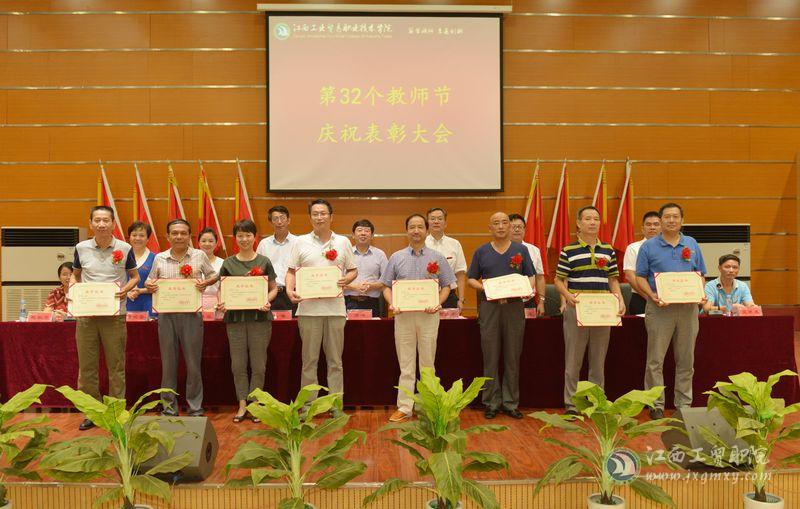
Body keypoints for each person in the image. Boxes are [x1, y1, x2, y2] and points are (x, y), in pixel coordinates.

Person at [285, 199, 357, 414]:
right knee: (309, 361)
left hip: (335, 310)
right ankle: (308, 406)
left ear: (331, 216)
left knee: (335, 361)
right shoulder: (300, 242)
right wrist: (289, 290)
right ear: (310, 218)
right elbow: (291, 271)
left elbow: (353, 270)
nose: (319, 217)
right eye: (315, 214)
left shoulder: (343, 242)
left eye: (323, 213)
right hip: (308, 311)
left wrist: (347, 278)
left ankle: (336, 405)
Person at [636, 202, 707, 419]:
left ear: (682, 220)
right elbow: (640, 277)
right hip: (660, 309)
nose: (671, 220)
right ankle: (655, 404)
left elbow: (700, 273)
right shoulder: (649, 246)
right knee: (655, 360)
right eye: (667, 217)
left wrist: (700, 292)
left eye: (676, 216)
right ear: (661, 220)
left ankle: (683, 404)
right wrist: (652, 295)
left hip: (688, 310)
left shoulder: (691, 243)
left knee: (686, 360)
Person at [381, 214, 455, 422]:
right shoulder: (396, 257)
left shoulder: (437, 257)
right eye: (412, 227)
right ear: (406, 231)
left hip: (428, 316)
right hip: (403, 316)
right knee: (405, 364)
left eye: (420, 227)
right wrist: (392, 303)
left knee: (427, 364)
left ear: (426, 230)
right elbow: (386, 286)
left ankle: (427, 407)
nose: (416, 230)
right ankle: (404, 407)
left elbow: (447, 285)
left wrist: (438, 302)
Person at [71, 206, 139, 430]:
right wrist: (74, 288)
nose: (101, 224)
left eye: (106, 220)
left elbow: (135, 277)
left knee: (116, 366)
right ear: (91, 223)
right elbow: (75, 275)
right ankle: (94, 412)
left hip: (114, 315)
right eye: (97, 220)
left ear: (113, 224)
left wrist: (125, 289)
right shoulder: (81, 248)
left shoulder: (125, 248)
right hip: (87, 316)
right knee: (87, 367)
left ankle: (116, 413)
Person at [555, 206, 625, 415]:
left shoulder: (608, 250)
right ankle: (571, 404)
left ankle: (597, 403)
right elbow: (558, 280)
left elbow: (613, 280)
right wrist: (568, 296)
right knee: (573, 361)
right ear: (579, 223)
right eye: (587, 218)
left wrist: (620, 300)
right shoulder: (568, 250)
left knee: (598, 361)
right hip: (577, 309)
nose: (592, 222)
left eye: (596, 218)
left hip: (603, 311)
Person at [467, 212, 536, 420]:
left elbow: (531, 276)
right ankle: (491, 402)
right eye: (496, 223)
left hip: (514, 307)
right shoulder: (481, 251)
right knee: (490, 356)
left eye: (504, 222)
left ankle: (510, 402)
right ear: (490, 228)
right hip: (490, 307)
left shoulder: (520, 250)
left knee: (513, 356)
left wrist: (526, 288)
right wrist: (485, 289)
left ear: (510, 226)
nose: (500, 226)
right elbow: (471, 279)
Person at [146, 219, 218, 417]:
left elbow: (214, 275)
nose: (179, 236)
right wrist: (150, 285)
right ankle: (169, 407)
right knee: (168, 364)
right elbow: (150, 280)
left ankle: (195, 407)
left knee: (193, 364)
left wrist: (205, 283)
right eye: (175, 233)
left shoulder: (199, 255)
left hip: (191, 315)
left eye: (183, 233)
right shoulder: (160, 257)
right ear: (168, 236)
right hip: (166, 316)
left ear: (189, 236)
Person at [217, 219, 278, 423]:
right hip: (235, 319)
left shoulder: (264, 261)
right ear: (235, 238)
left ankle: (256, 403)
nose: (244, 239)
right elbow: (221, 290)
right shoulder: (228, 263)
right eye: (240, 235)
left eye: (248, 235)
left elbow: (273, 288)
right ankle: (242, 403)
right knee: (238, 364)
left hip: (259, 319)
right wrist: (221, 302)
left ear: (255, 237)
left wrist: (266, 300)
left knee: (259, 364)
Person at [256, 205, 298, 314]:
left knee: (293, 324)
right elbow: (258, 270)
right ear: (271, 222)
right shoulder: (264, 244)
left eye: (282, 218)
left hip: (292, 294)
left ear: (288, 220)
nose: (279, 222)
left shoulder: (299, 242)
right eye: (275, 219)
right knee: (271, 324)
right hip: (270, 294)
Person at [425, 207, 467, 312]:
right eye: (432, 219)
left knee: (449, 323)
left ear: (445, 223)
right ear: (427, 223)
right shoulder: (421, 244)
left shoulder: (455, 244)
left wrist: (461, 299)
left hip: (450, 297)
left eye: (440, 219)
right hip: (426, 295)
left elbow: (460, 273)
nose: (436, 222)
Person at [344, 219, 388, 317]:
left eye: (367, 231)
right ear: (353, 235)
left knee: (372, 327)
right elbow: (339, 280)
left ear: (372, 236)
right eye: (359, 230)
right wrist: (354, 287)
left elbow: (386, 280)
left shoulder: (380, 254)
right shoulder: (346, 253)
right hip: (349, 302)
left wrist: (371, 286)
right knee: (349, 328)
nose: (363, 233)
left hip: (372, 303)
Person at [622, 212, 662, 315]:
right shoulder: (633, 248)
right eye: (648, 224)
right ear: (642, 229)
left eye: (656, 224)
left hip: (665, 298)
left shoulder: (669, 248)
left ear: (662, 227)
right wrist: (649, 297)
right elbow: (630, 276)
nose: (652, 227)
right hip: (640, 299)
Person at [508, 213, 546, 316]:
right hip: (507, 302)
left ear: (524, 229)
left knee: (529, 326)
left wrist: (541, 302)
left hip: (529, 301)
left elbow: (539, 277)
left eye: (520, 227)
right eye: (513, 227)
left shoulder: (534, 250)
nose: (517, 230)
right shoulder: (501, 250)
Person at [125, 222, 157, 316]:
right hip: (124, 302)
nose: (137, 238)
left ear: (148, 238)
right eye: (134, 235)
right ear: (129, 237)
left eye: (142, 235)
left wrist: (140, 291)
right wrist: (126, 291)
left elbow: (159, 285)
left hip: (148, 303)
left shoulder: (156, 258)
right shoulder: (121, 256)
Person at [198, 227, 225, 314]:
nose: (207, 244)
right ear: (199, 243)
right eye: (203, 241)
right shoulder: (192, 263)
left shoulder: (223, 263)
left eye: (210, 241)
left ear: (216, 243)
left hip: (218, 305)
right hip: (195, 305)